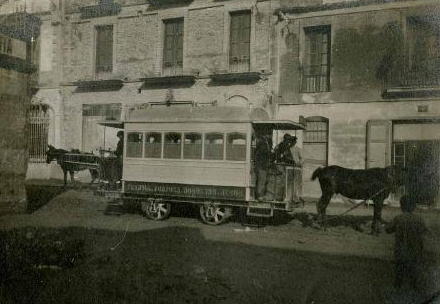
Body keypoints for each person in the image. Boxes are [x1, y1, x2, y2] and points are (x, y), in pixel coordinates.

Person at [386, 195, 428, 291]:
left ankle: (398, 287)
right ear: (414, 207)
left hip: (401, 249)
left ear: (401, 206)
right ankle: (413, 287)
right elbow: (425, 231)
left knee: (399, 269)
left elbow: (388, 230)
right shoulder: (419, 219)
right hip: (415, 249)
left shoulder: (398, 218)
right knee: (414, 270)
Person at [255, 132, 272, 199]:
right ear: (265, 135)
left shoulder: (265, 143)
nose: (269, 136)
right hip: (261, 165)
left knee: (263, 180)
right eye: (268, 134)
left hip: (263, 165)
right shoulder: (262, 143)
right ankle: (259, 196)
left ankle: (261, 195)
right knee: (261, 180)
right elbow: (261, 154)